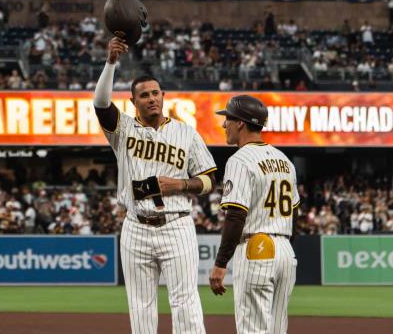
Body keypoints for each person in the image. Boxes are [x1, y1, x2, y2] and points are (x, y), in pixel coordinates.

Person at [93, 36, 217, 334]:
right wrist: (111, 61)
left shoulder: (186, 133)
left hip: (176, 223)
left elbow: (210, 181)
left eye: (156, 93)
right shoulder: (122, 129)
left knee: (185, 302)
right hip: (135, 225)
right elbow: (100, 104)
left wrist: (182, 184)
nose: (152, 98)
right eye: (145, 95)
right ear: (133, 102)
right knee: (140, 305)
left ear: (164, 96)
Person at [209, 95, 300, 334]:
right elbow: (295, 214)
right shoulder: (285, 161)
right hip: (285, 252)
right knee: (277, 329)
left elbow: (236, 215)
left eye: (227, 118)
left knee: (253, 330)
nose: (223, 124)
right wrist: (282, 247)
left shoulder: (239, 160)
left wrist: (221, 263)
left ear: (240, 123)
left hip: (256, 247)